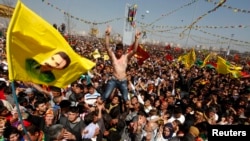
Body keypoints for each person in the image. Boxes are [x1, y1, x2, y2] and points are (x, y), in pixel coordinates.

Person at [100, 25, 141, 103]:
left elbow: (135, 50)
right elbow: (107, 47)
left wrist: (136, 39)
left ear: (123, 51)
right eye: (117, 51)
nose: (119, 53)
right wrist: (107, 36)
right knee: (105, 95)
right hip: (113, 80)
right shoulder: (113, 57)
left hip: (123, 81)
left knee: (126, 98)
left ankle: (128, 112)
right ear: (115, 51)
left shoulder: (126, 57)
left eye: (120, 52)